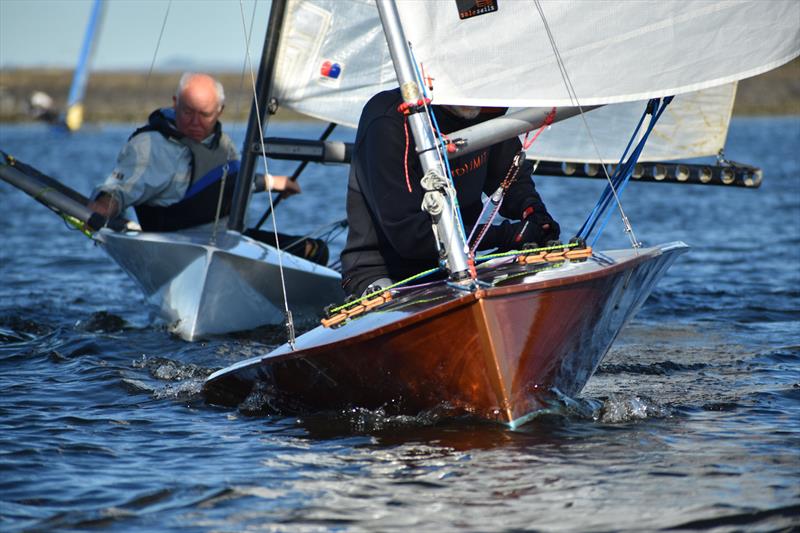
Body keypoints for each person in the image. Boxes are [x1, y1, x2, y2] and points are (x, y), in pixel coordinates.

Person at [89, 72, 327, 265]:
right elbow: (118, 190)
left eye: (204, 114)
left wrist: (273, 183)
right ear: (175, 103)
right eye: (187, 112)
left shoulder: (223, 144)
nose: (194, 122)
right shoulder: (149, 146)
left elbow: (228, 183)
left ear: (219, 111)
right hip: (177, 252)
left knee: (315, 251)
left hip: (229, 246)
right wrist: (100, 210)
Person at [340, 89, 560, 296]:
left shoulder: (484, 110)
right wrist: (507, 235)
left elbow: (512, 181)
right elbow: (411, 237)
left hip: (464, 263)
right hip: (386, 271)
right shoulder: (389, 120)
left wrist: (534, 215)